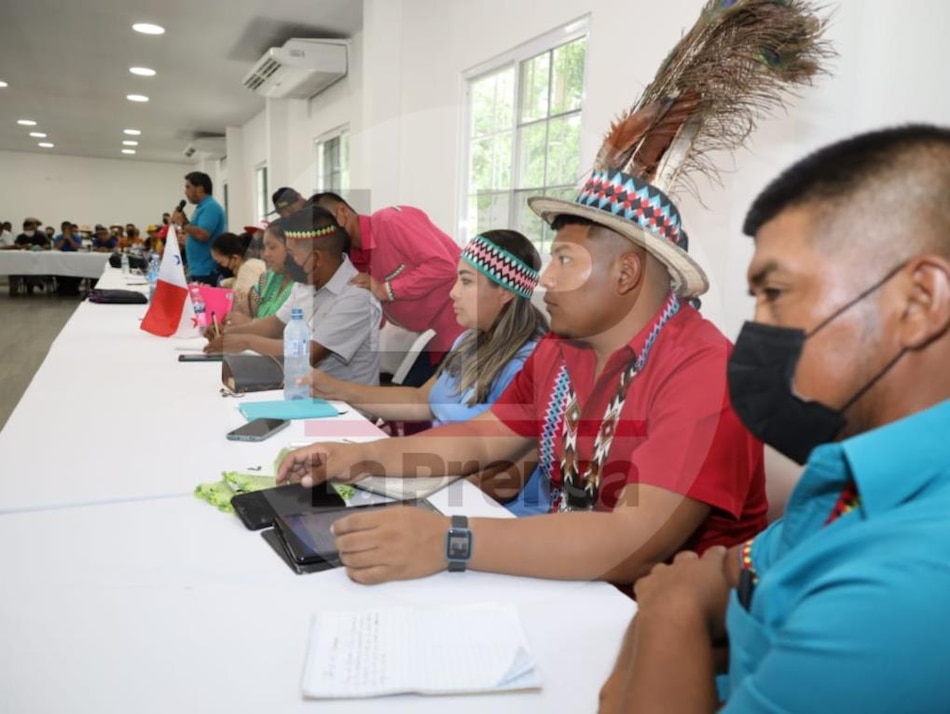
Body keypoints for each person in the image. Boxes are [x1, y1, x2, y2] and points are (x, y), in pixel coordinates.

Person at [599, 125, 950, 713]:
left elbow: (688, 591)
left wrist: (671, 614)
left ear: (917, 303)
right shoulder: (848, 474)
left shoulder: (912, 585)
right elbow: (734, 575)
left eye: (777, 292)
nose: (756, 330)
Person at [303, 229, 551, 515]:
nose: (453, 292)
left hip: (492, 512)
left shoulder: (527, 364)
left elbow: (503, 483)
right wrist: (332, 387)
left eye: (466, 281)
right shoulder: (469, 341)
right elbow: (421, 400)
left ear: (505, 292)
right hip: (441, 485)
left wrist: (413, 492)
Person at [205, 206, 382, 386]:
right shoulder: (306, 282)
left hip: (343, 407)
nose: (290, 262)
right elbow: (275, 323)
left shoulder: (357, 296)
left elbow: (309, 353)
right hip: (302, 389)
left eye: (292, 254)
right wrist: (226, 333)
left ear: (316, 258)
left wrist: (246, 341)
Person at [312, 192, 464, 386]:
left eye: (326, 228)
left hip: (459, 327)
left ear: (342, 212)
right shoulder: (351, 258)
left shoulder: (391, 222)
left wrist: (386, 289)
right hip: (429, 338)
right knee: (407, 401)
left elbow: (443, 267)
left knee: (430, 404)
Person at [172, 171, 226, 285]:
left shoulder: (211, 207)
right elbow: (196, 232)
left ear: (200, 188)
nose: (185, 192)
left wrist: (184, 223)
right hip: (199, 269)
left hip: (207, 270)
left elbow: (202, 235)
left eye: (188, 187)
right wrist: (185, 223)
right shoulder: (201, 207)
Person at [210, 231, 266, 308]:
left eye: (221, 262)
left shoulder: (249, 268)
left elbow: (243, 305)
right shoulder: (246, 267)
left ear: (235, 258)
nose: (220, 266)